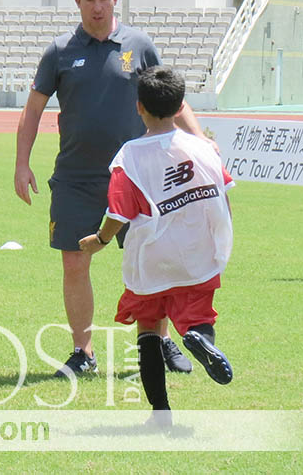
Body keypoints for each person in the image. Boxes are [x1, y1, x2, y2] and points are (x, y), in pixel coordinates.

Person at [14, 0, 211, 378]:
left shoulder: (138, 44)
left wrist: (199, 141)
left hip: (141, 177)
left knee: (153, 264)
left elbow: (171, 100)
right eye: (90, 0)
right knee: (74, 263)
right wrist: (21, 163)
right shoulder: (59, 51)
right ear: (77, 2)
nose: (98, 7)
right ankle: (83, 351)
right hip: (75, 179)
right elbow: (33, 110)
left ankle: (158, 344)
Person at [78, 66, 234, 425]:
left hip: (151, 258)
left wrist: (100, 240)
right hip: (197, 255)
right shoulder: (204, 148)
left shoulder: (130, 155)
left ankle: (160, 414)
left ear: (139, 108)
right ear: (181, 105)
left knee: (148, 329)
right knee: (199, 318)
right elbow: (223, 194)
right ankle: (200, 338)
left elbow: (119, 211)